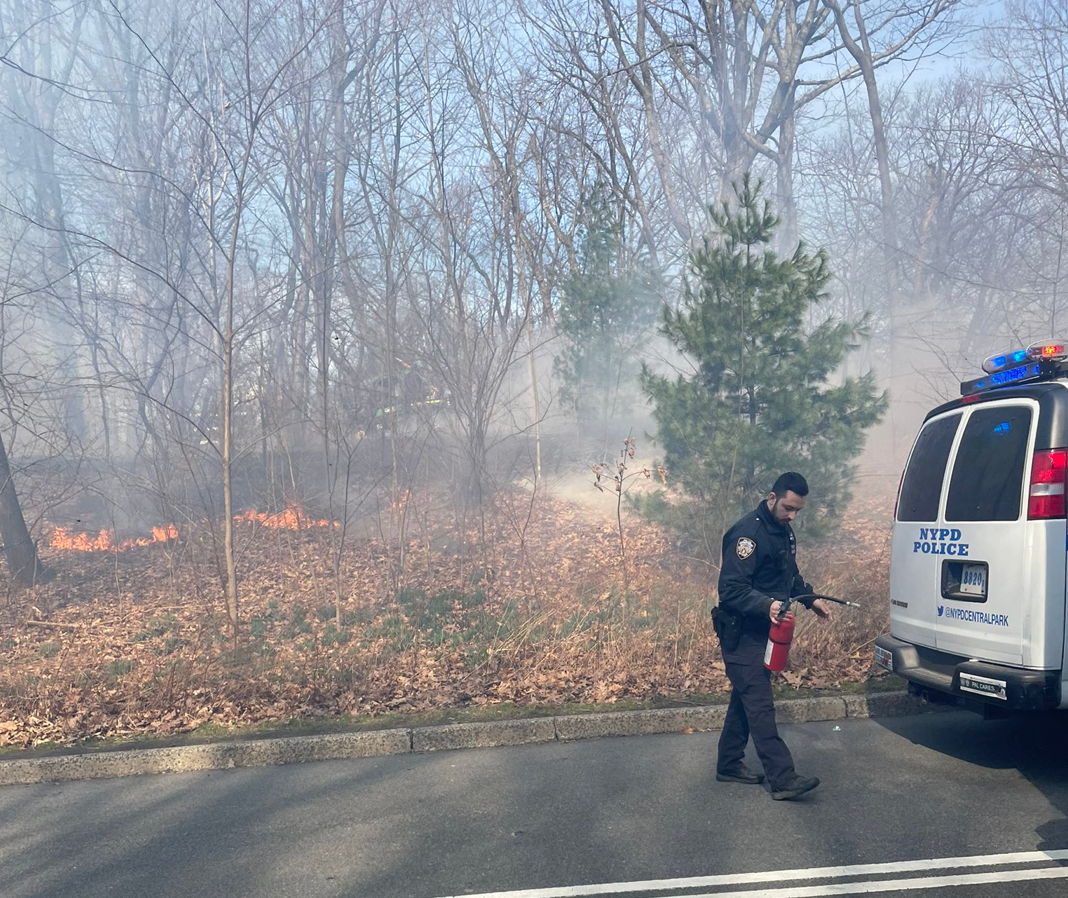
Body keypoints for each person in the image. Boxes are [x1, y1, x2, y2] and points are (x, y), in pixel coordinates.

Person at [712, 472, 832, 801]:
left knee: (745, 698)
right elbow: (731, 589)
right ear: (772, 498)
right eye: (788, 508)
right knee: (760, 704)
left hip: (766, 631)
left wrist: (810, 599)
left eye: (798, 511)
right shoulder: (747, 535)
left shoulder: (782, 531)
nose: (792, 516)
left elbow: (788, 576)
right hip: (741, 633)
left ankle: (728, 764)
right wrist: (765, 604)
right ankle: (782, 778)